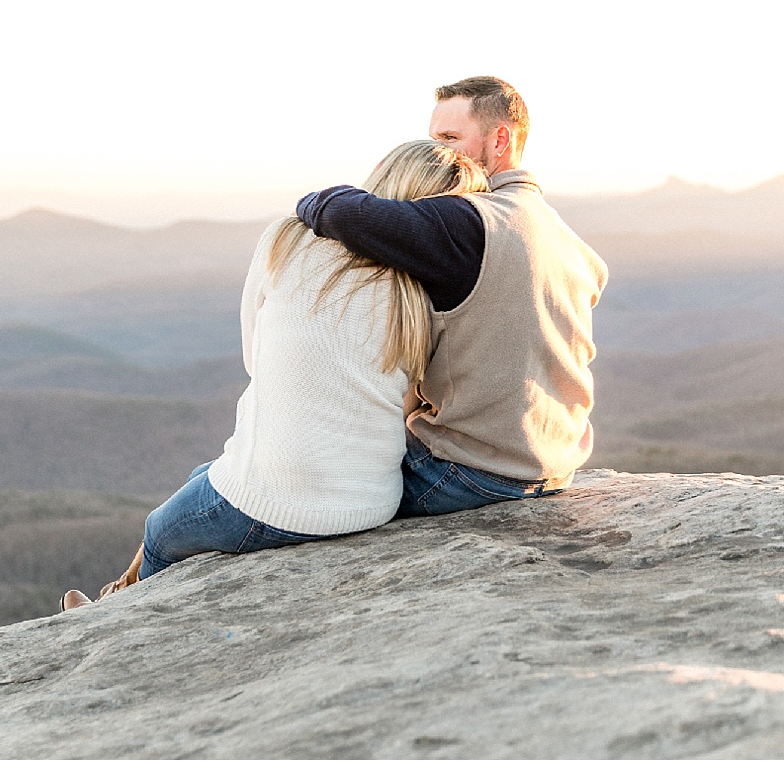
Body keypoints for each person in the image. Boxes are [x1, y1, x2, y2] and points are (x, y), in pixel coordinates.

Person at [62, 139, 489, 609]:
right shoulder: (422, 292)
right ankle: (108, 602)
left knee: (160, 532)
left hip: (282, 502)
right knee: (200, 475)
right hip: (372, 502)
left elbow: (255, 358)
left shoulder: (290, 238)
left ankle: (106, 621)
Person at [294, 75, 609, 518]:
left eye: (448, 138)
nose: (435, 152)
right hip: (554, 465)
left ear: (500, 139)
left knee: (260, 490)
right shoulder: (567, 240)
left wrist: (310, 201)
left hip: (465, 473)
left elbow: (341, 212)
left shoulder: (468, 220)